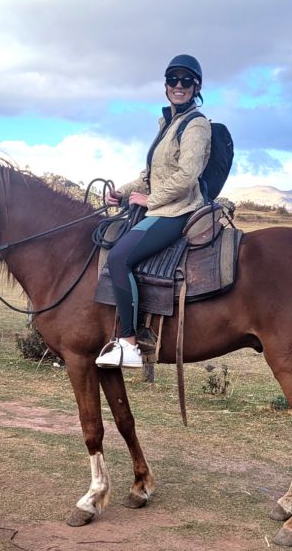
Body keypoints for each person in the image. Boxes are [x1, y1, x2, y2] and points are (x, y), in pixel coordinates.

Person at [96, 54, 211, 368]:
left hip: (177, 211)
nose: (179, 85)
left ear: (196, 86)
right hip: (162, 206)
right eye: (173, 79)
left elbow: (188, 175)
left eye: (186, 80)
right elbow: (149, 176)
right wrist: (122, 193)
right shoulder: (167, 124)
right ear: (165, 85)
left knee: (119, 257)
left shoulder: (196, 125)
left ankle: (130, 343)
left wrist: (150, 200)